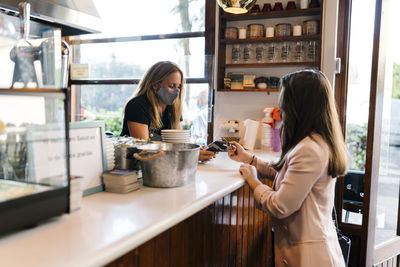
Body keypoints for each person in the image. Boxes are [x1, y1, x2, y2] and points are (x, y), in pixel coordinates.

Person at [228, 70, 349, 267]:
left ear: (299, 104)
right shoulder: (315, 141)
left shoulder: (309, 149)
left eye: (284, 99)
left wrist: (253, 182)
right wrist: (249, 159)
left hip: (310, 258)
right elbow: (288, 174)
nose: (281, 106)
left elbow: (280, 206)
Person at [120, 61, 215, 162]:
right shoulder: (137, 106)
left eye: (178, 87)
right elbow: (144, 149)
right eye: (171, 86)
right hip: (135, 165)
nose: (176, 91)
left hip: (163, 165)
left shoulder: (173, 108)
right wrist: (189, 156)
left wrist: (193, 151)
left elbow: (178, 143)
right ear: (155, 85)